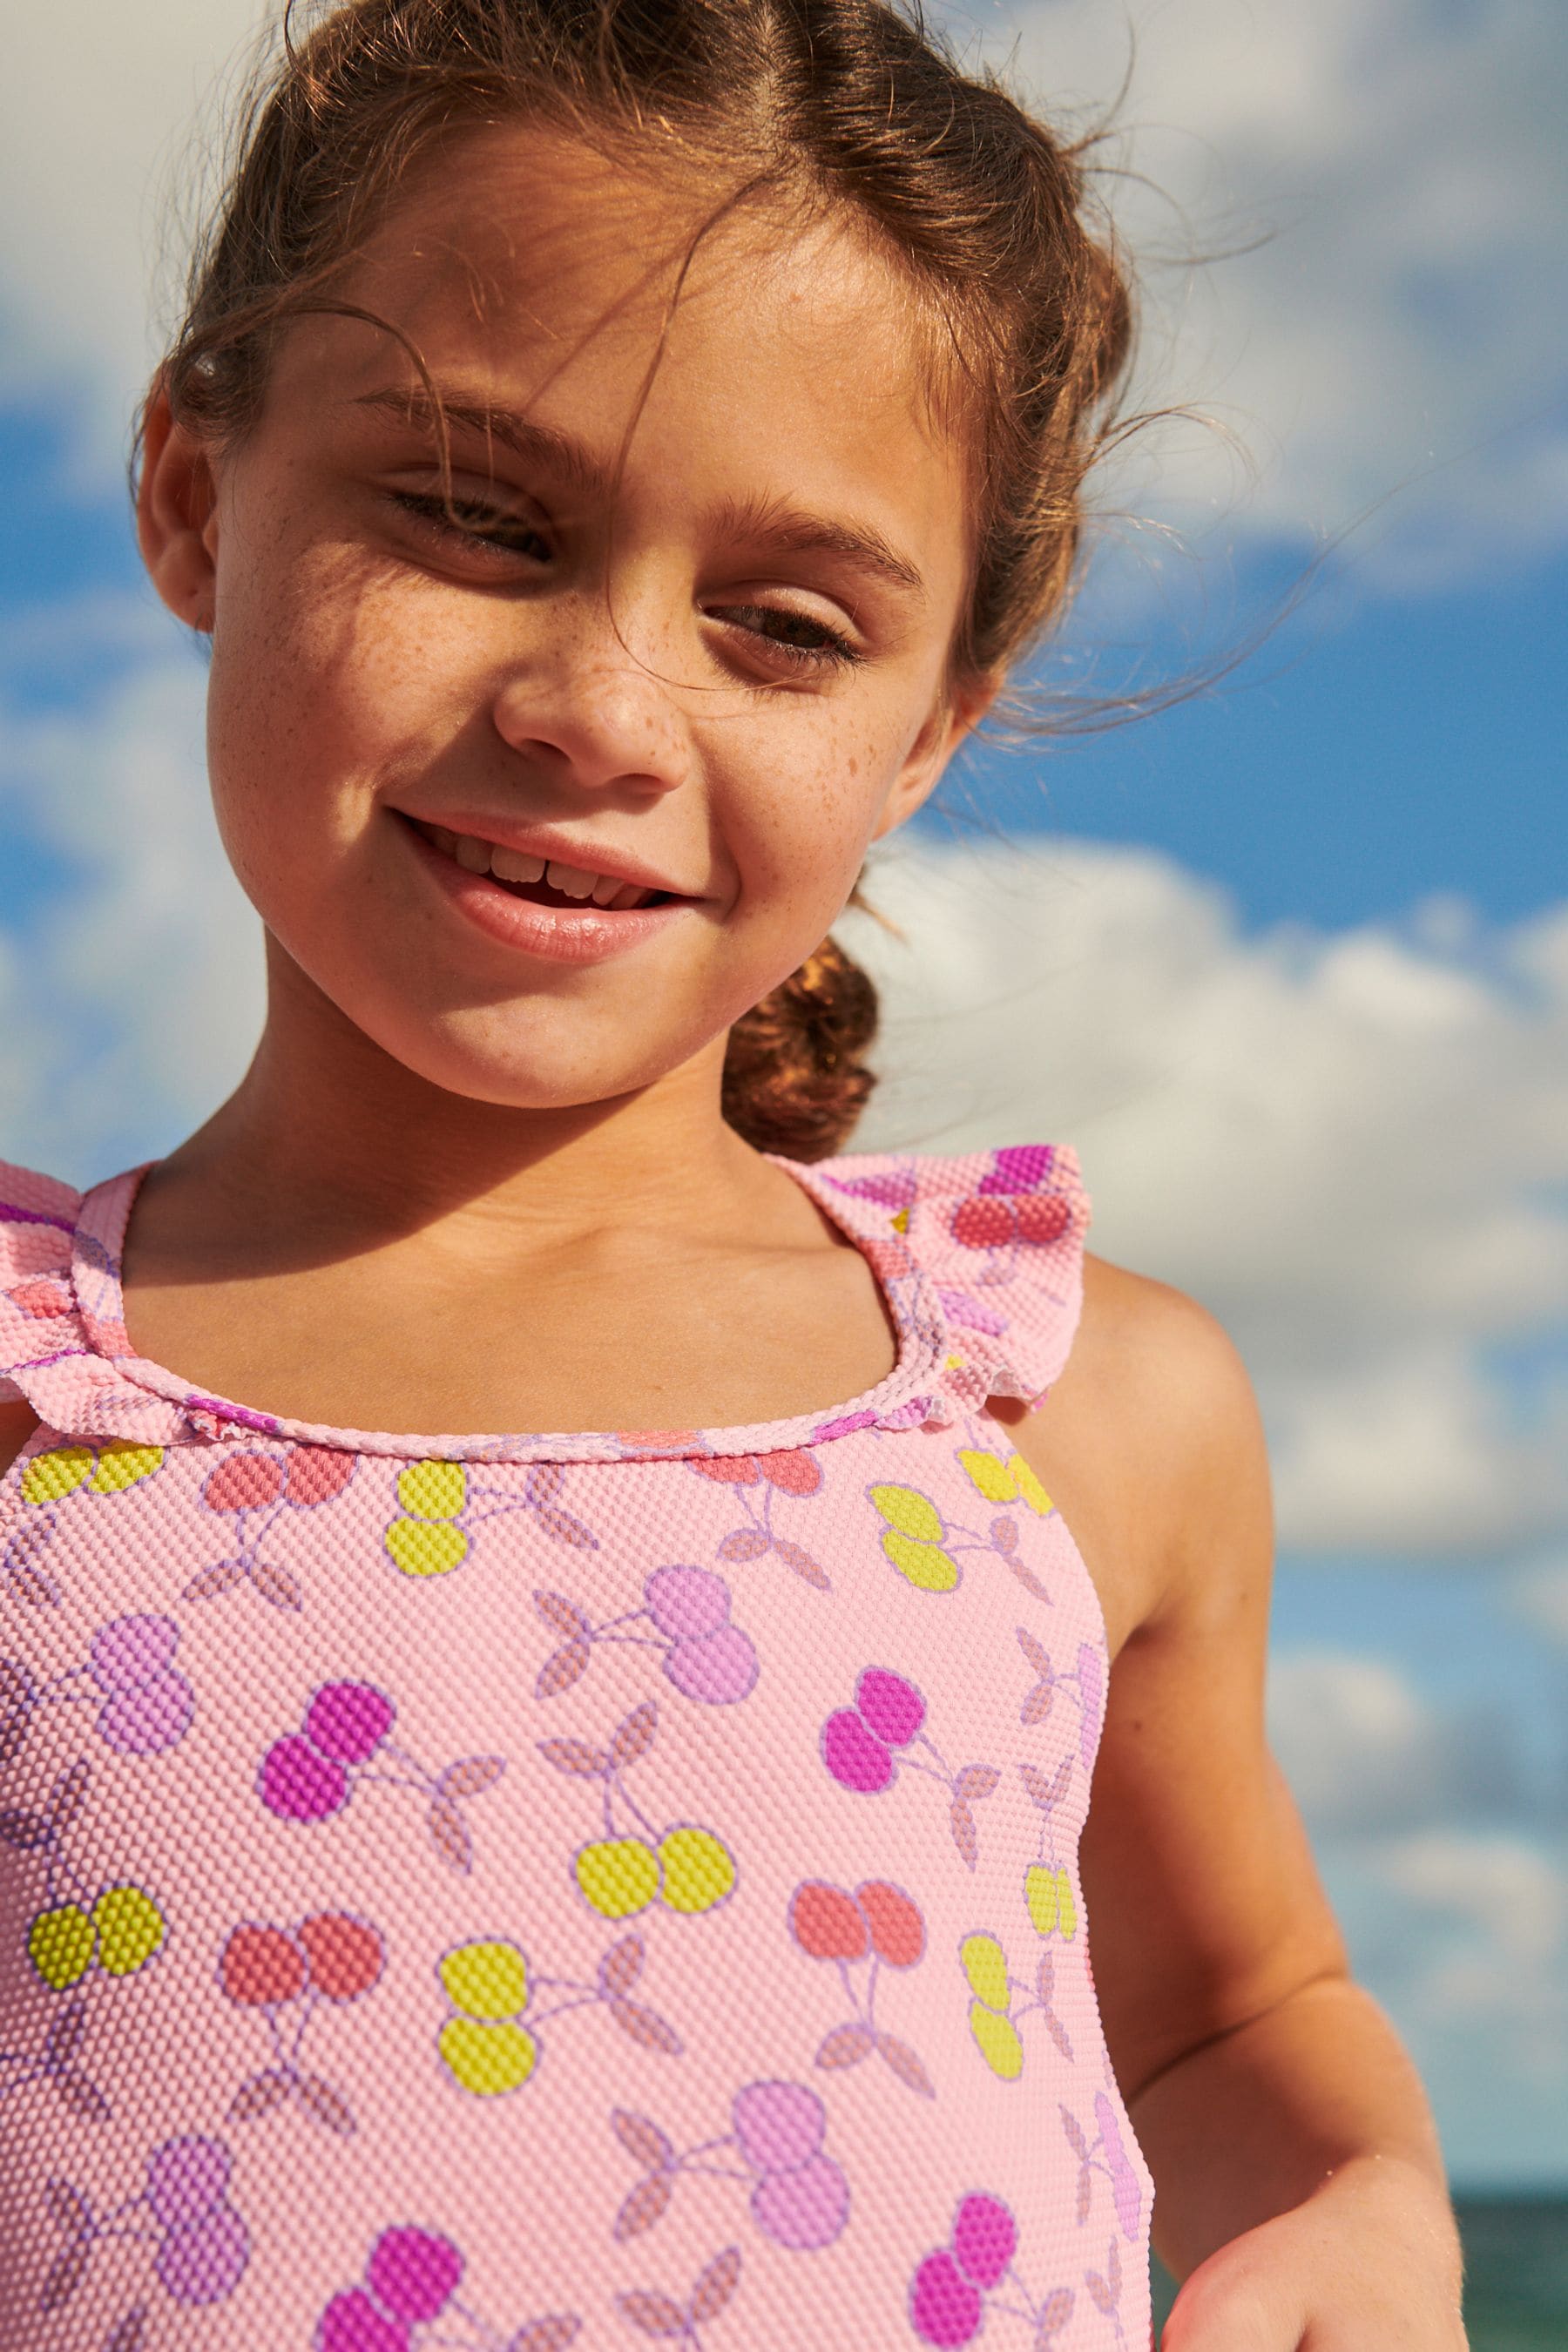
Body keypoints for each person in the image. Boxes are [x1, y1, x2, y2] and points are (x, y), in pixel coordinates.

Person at [0, 3, 1465, 2346]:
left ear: (926, 733)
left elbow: (1229, 2009)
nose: (600, 704)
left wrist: (1361, 2196)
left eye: (782, 625)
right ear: (194, 497)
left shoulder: (1076, 1411)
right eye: (479, 515)